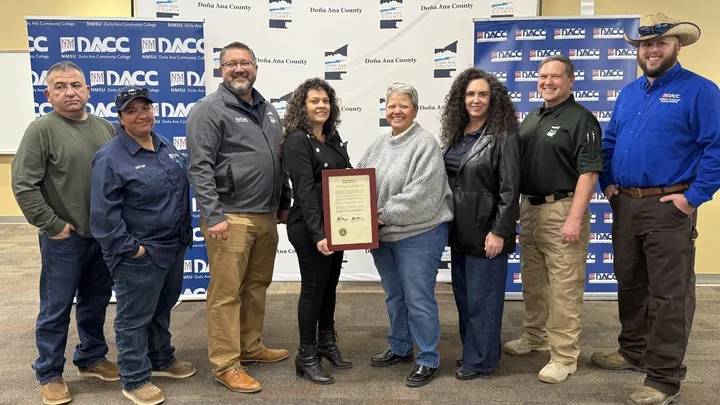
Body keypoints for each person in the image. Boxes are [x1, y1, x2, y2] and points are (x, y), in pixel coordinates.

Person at [592, 13, 720, 405]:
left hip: (670, 207)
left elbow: (716, 148)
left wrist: (692, 197)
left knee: (669, 295)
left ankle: (664, 379)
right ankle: (633, 350)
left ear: (676, 46)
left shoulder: (701, 91)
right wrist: (608, 185)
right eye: (646, 44)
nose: (652, 49)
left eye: (660, 42)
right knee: (630, 283)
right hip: (626, 204)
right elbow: (610, 142)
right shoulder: (629, 92)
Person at [186, 41, 291, 393]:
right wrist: (213, 214)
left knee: (256, 286)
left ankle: (250, 345)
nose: (239, 69)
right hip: (230, 217)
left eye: (245, 63)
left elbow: (277, 159)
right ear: (220, 70)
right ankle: (226, 363)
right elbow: (199, 166)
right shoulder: (209, 109)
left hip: (265, 215)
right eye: (231, 63)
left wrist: (283, 200)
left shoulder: (269, 109)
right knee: (226, 293)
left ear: (256, 67)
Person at [11, 61, 119, 405]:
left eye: (76, 85)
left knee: (95, 302)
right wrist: (54, 226)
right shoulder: (41, 130)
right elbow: (23, 185)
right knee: (55, 307)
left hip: (101, 236)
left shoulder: (105, 127)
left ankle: (91, 357)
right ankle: (49, 371)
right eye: (60, 86)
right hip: (64, 239)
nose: (69, 92)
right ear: (48, 93)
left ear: (88, 90)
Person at [89, 86, 196, 405]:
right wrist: (132, 249)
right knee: (134, 316)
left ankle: (160, 358)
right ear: (120, 118)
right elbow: (103, 216)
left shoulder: (164, 145)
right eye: (132, 110)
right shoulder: (109, 157)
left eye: (145, 108)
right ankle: (134, 378)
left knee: (163, 306)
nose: (141, 115)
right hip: (139, 253)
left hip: (173, 245)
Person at [503, 55, 603, 384]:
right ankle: (535, 337)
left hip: (562, 209)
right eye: (543, 76)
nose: (548, 81)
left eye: (555, 77)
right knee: (534, 282)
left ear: (570, 81)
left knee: (564, 289)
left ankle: (564, 356)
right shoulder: (532, 117)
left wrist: (574, 219)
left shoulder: (581, 119)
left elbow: (588, 174)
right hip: (530, 209)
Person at [357, 82, 454, 388]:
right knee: (394, 295)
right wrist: (356, 215)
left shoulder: (425, 143)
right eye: (391, 106)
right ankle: (400, 346)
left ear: (415, 109)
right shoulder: (379, 144)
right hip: (383, 236)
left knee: (418, 298)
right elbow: (358, 180)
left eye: (403, 106)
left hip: (419, 234)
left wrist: (378, 216)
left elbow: (421, 195)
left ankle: (427, 357)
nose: (396, 111)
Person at [439, 68, 520, 380]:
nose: (475, 100)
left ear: (493, 99)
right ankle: (474, 351)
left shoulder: (504, 135)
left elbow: (510, 189)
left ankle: (482, 361)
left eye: (482, 94)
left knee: (484, 300)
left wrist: (499, 230)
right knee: (465, 297)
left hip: (487, 233)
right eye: (470, 94)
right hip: (458, 232)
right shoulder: (456, 136)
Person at [281, 78, 353, 385]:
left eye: (325, 100)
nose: (321, 105)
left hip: (337, 226)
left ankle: (326, 343)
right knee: (312, 291)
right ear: (303, 106)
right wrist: (318, 233)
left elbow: (347, 180)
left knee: (329, 289)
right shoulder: (298, 140)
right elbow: (306, 191)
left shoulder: (332, 137)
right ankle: (306, 356)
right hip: (311, 228)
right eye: (314, 101)